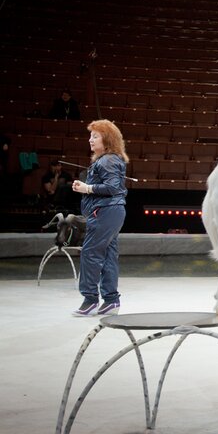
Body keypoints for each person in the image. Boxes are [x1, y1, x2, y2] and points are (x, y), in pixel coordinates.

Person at [71, 120, 128, 317]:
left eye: (95, 136)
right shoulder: (109, 160)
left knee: (90, 253)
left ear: (107, 140)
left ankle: (90, 300)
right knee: (108, 255)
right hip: (111, 212)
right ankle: (111, 301)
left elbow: (113, 187)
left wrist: (87, 188)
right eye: (90, 136)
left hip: (105, 212)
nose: (90, 140)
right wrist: (85, 188)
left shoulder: (108, 160)